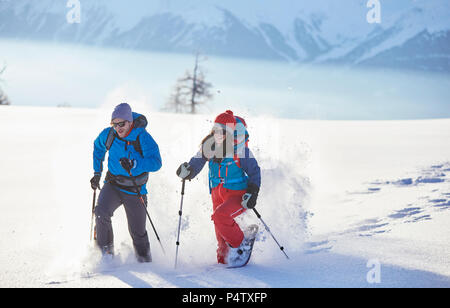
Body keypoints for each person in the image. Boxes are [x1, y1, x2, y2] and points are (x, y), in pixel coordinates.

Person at [176, 110, 261, 265]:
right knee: (220, 231)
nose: (218, 134)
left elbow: (255, 171)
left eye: (223, 131)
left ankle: (241, 244)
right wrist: (188, 171)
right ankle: (223, 260)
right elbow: (196, 162)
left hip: (238, 194)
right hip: (216, 192)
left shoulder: (241, 150)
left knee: (220, 216)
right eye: (216, 130)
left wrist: (253, 192)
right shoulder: (209, 146)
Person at [90, 103, 162, 262]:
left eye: (121, 124)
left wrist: (135, 163)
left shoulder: (142, 136)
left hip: (135, 190)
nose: (118, 128)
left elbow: (156, 162)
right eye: (114, 124)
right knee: (101, 212)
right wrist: (97, 172)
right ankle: (106, 255)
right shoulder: (109, 135)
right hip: (113, 184)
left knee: (137, 231)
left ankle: (145, 262)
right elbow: (98, 147)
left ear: (130, 122)